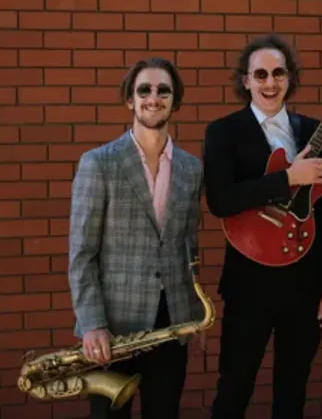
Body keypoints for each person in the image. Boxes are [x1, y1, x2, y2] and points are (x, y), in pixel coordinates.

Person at [203, 34, 322, 419]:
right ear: (246, 80)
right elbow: (221, 200)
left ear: (290, 78)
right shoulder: (223, 132)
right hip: (248, 284)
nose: (270, 82)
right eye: (261, 74)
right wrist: (288, 178)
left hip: (305, 284)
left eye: (278, 73)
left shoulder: (313, 131)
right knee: (234, 389)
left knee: (292, 392)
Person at [67, 57, 206, 419]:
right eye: (144, 90)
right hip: (112, 329)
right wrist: (92, 323)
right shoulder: (98, 163)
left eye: (164, 91)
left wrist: (193, 315)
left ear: (175, 101)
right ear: (130, 99)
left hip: (171, 323)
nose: (153, 98)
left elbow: (188, 246)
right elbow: (82, 254)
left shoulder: (192, 168)